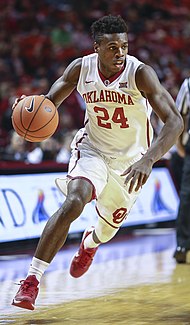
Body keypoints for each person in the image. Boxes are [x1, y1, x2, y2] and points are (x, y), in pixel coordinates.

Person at [12, 15, 183, 311]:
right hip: (92, 149)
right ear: (96, 48)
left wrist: (148, 159)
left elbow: (175, 122)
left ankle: (90, 244)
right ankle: (32, 280)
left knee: (107, 231)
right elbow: (47, 104)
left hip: (132, 161)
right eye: (113, 47)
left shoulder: (140, 74)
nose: (120, 53)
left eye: (125, 46)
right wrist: (27, 109)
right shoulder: (81, 68)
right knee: (74, 201)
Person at [173, 77, 190, 263]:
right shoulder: (188, 85)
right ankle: (182, 245)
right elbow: (179, 115)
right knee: (186, 196)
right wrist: (179, 143)